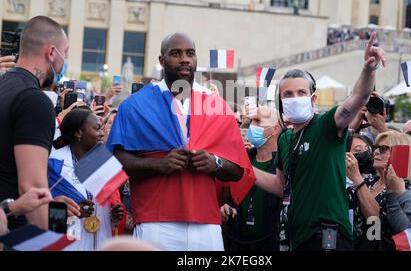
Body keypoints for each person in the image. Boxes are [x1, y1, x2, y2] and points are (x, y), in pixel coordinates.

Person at [107, 32, 254, 251]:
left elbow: (238, 170)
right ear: (162, 60)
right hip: (155, 221)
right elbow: (115, 160)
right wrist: (159, 164)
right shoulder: (135, 105)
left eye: (190, 53)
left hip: (206, 224)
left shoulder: (217, 106)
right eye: (176, 53)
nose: (184, 58)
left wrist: (215, 163)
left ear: (196, 60)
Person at [253, 32, 387, 251]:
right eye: (288, 94)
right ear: (280, 101)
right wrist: (245, 169)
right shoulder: (286, 138)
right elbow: (280, 185)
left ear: (313, 98)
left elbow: (357, 99)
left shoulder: (326, 125)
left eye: (301, 92)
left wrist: (368, 69)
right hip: (296, 237)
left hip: (327, 236)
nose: (294, 98)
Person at [0, 16, 69, 231]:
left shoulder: (3, 85)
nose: (65, 62)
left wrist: (53, 205)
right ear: (51, 52)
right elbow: (33, 188)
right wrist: (53, 241)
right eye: (65, 53)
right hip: (14, 232)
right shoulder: (34, 100)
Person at [48, 108, 124, 251]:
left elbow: (105, 211)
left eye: (102, 128)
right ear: (78, 133)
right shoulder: (55, 164)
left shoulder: (104, 163)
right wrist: (72, 214)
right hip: (69, 244)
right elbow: (45, 215)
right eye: (97, 129)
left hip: (101, 243)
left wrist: (112, 218)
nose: (102, 133)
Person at [224, 106, 282, 251]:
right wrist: (227, 207)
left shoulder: (284, 166)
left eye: (257, 121)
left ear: (275, 129)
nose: (251, 126)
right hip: (238, 245)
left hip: (271, 246)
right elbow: (231, 197)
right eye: (251, 121)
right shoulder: (242, 160)